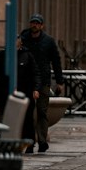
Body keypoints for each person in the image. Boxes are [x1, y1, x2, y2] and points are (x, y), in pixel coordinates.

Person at [19, 12, 64, 153]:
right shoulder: (23, 38)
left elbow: (56, 62)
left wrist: (60, 81)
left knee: (42, 111)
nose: (35, 25)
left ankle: (42, 141)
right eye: (33, 22)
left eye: (37, 23)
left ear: (42, 25)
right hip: (27, 81)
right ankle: (30, 142)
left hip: (44, 81)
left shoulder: (48, 41)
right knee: (28, 113)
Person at [0, 37, 39, 146]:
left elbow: (35, 73)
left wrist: (36, 89)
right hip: (4, 93)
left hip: (25, 92)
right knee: (6, 117)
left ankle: (29, 143)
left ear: (21, 42)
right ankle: (8, 141)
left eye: (17, 38)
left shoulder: (27, 56)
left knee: (27, 119)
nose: (14, 40)